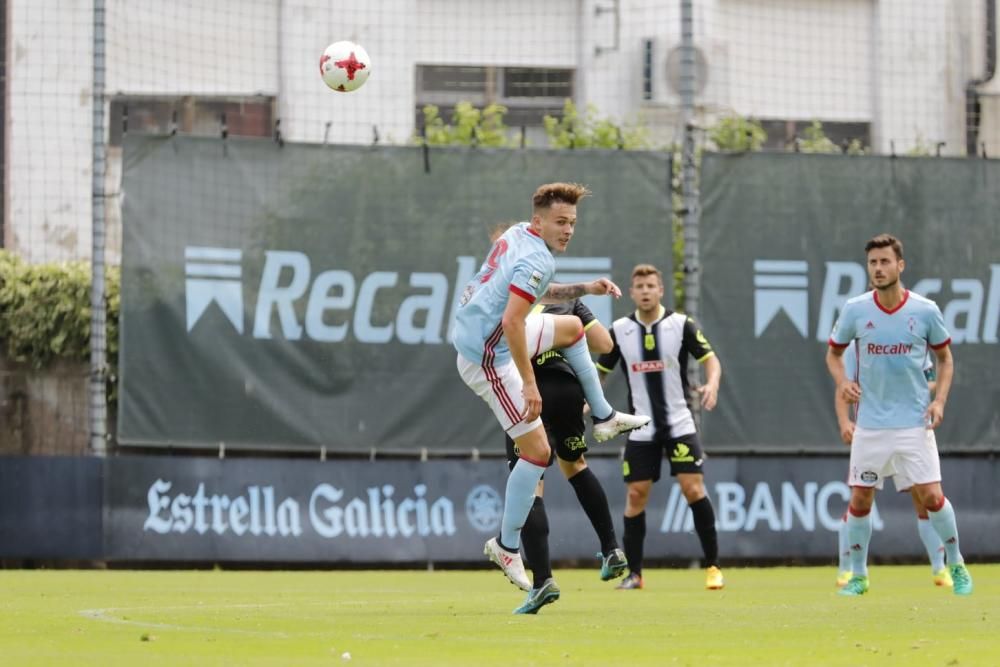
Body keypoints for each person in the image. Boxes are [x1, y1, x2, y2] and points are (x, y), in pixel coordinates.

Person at [452, 182, 650, 593]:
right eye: (561, 222)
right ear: (540, 221)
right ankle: (507, 546)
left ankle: (605, 416)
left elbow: (539, 293)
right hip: (489, 359)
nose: (568, 229)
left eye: (573, 222)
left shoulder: (519, 234)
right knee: (540, 453)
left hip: (485, 337)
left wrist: (587, 289)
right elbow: (511, 323)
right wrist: (529, 384)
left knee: (574, 327)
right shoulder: (536, 258)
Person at [826, 233, 972, 596]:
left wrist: (939, 402)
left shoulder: (924, 310)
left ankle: (956, 564)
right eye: (873, 262)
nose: (878, 268)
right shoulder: (856, 309)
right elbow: (833, 353)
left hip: (913, 423)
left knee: (932, 497)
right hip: (871, 425)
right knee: (860, 499)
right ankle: (858, 576)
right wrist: (843, 380)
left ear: (900, 265)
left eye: (884, 261)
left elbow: (945, 359)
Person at [596, 263, 724, 591]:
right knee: (636, 495)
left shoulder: (681, 325)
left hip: (680, 423)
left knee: (693, 489)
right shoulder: (619, 329)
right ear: (632, 290)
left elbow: (711, 359)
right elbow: (600, 372)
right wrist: (589, 404)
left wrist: (712, 383)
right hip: (640, 428)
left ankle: (713, 566)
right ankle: (635, 575)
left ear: (661, 290)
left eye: (651, 285)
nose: (646, 291)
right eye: (639, 286)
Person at [505, 298, 628, 614]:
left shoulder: (510, 303)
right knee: (575, 465)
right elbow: (605, 343)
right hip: (568, 390)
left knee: (532, 482)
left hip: (528, 392)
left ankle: (542, 580)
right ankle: (611, 548)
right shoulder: (568, 303)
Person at [834, 340, 951, 589]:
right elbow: (844, 387)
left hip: (910, 429)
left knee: (924, 497)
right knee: (861, 497)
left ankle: (940, 569)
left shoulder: (912, 341)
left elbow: (932, 377)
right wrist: (845, 422)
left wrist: (911, 385)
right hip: (873, 432)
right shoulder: (862, 347)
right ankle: (848, 571)